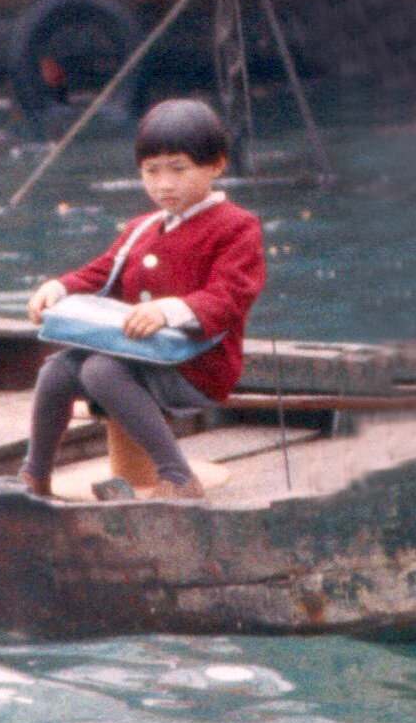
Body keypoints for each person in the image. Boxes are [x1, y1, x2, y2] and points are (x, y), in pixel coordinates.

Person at [22, 99, 266, 499]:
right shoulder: (142, 227)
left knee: (100, 370)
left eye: (179, 169)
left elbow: (231, 296)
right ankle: (35, 476)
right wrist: (60, 287)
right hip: (140, 354)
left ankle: (178, 477)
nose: (164, 184)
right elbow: (103, 271)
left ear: (216, 166)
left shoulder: (237, 227)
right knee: (57, 371)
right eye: (152, 172)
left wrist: (168, 311)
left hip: (198, 366)